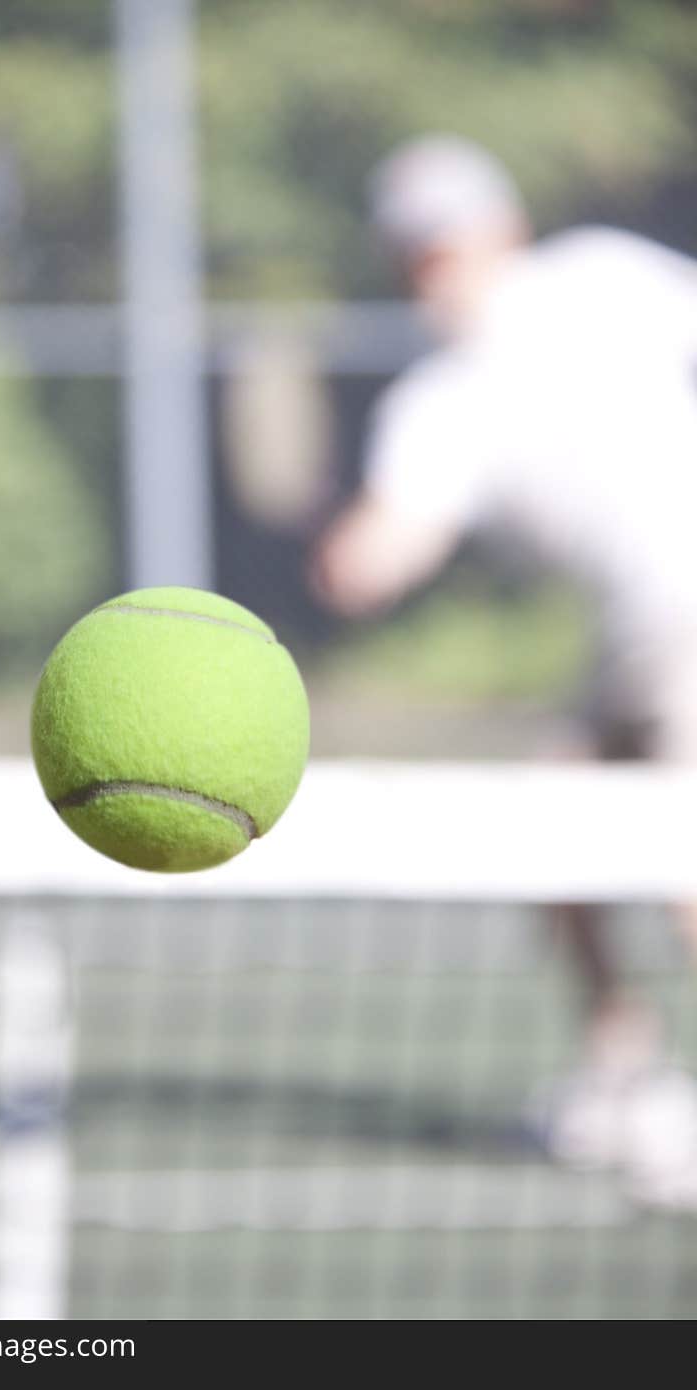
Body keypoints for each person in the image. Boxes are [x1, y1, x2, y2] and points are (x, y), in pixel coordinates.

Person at [310, 134, 697, 1206]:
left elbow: (371, 555)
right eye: (415, 253)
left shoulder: (603, 278)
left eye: (446, 244)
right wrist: (341, 553)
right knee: (555, 830)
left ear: (502, 231)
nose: (434, 268)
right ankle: (625, 1075)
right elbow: (382, 553)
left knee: (682, 869)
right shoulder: (445, 399)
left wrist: (344, 553)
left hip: (689, 619)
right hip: (629, 640)